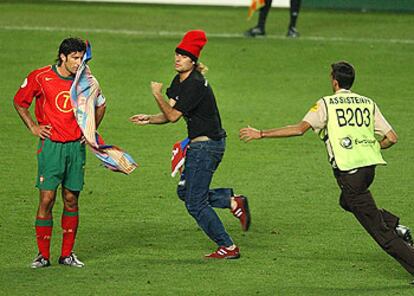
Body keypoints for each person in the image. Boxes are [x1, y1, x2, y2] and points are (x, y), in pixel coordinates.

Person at [240, 61, 414, 279]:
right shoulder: (367, 103)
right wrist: (373, 147)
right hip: (368, 170)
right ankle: (394, 224)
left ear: (334, 82)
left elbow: (298, 129)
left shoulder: (326, 104)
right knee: (347, 202)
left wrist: (262, 133)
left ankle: (400, 238)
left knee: (381, 235)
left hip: (350, 174)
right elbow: (392, 138)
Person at [130, 30, 251, 259]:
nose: (177, 58)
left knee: (195, 203)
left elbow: (174, 115)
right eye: (177, 54)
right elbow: (169, 114)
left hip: (206, 148)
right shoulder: (180, 80)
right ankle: (232, 201)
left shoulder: (195, 83)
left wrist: (157, 95)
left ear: (193, 61)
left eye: (183, 56)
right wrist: (149, 118)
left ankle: (228, 246)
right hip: (200, 146)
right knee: (185, 191)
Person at [14, 37, 106, 268]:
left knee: (71, 199)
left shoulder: (86, 80)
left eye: (82, 57)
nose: (79, 62)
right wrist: (33, 126)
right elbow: (19, 102)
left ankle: (66, 254)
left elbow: (101, 104)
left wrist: (90, 131)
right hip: (52, 147)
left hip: (76, 147)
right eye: (75, 58)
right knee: (47, 199)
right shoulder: (41, 76)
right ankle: (42, 256)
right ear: (63, 57)